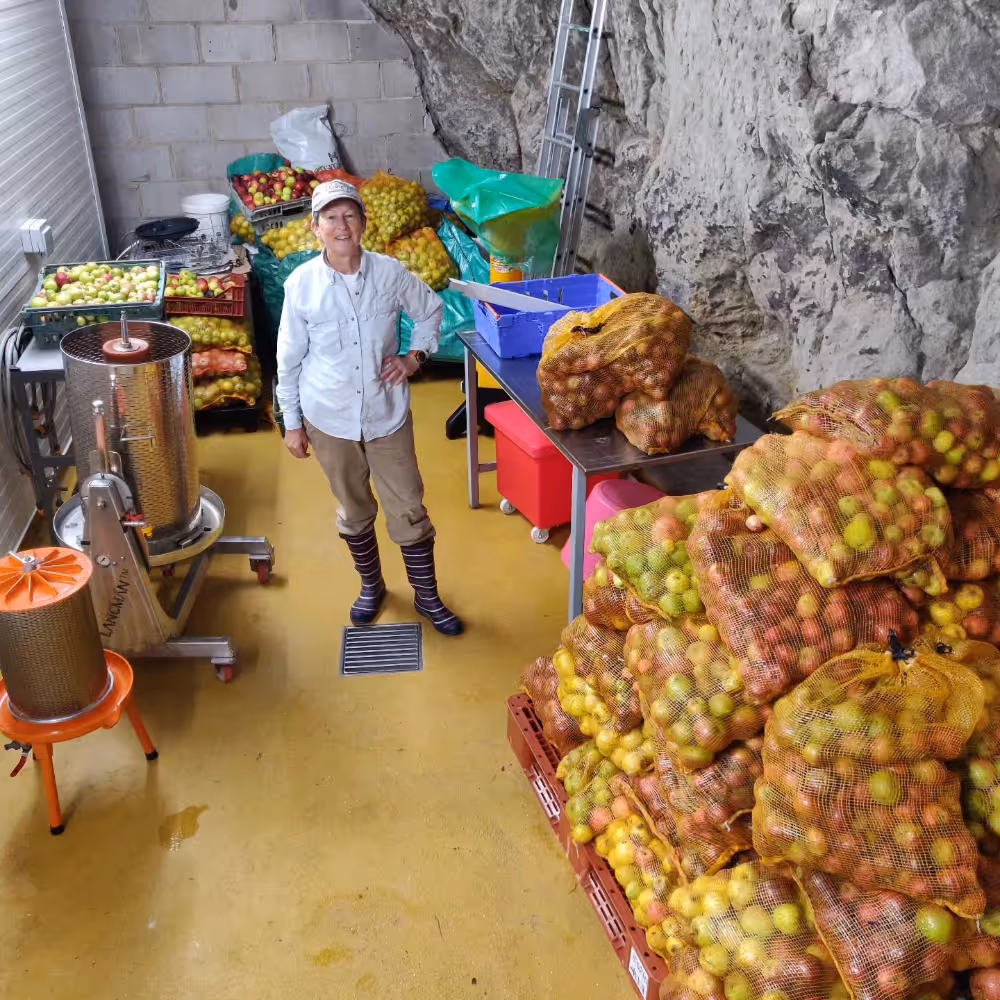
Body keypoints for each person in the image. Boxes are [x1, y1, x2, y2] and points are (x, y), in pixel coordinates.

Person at [275, 179, 463, 636]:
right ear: (316, 228)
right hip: (329, 418)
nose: (342, 226)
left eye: (350, 216)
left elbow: (430, 311)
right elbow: (288, 359)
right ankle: (371, 586)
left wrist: (414, 357)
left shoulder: (390, 273)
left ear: (363, 223)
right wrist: (293, 424)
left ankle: (427, 596)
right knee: (353, 508)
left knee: (408, 506)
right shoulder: (301, 286)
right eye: (331, 218)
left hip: (386, 414)